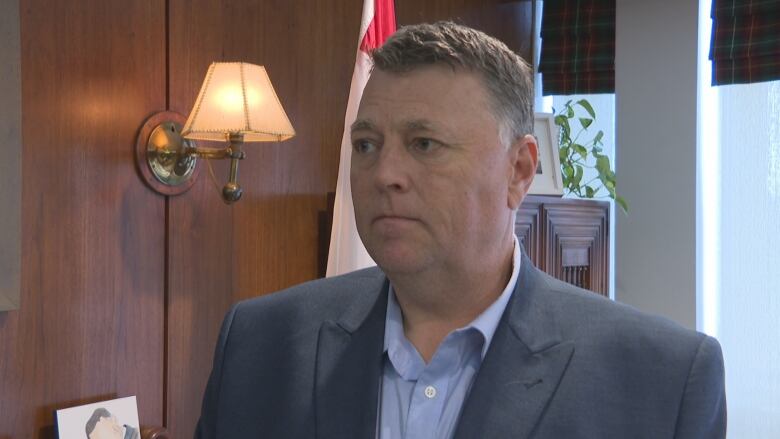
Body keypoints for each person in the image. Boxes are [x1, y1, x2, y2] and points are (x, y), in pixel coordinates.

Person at [195, 21, 726, 439]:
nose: (385, 175)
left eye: (424, 144)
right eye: (366, 145)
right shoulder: (260, 344)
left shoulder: (661, 380)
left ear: (519, 170)